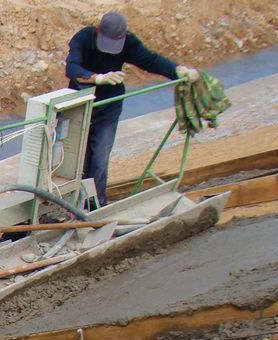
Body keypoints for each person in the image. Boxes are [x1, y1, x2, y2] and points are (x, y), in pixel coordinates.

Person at [66, 11, 199, 206]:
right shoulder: (83, 38)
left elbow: (150, 61)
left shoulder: (129, 42)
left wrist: (178, 70)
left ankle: (95, 204)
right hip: (80, 104)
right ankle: (72, 202)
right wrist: (98, 78)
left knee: (100, 154)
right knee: (76, 156)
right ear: (98, 31)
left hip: (109, 104)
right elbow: (72, 68)